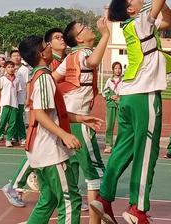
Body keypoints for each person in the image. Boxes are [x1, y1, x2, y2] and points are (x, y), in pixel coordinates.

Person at [91, 0, 171, 224]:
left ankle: (103, 197)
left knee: (124, 148)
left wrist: (162, 5)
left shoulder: (135, 26)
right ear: (130, 10)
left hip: (129, 96)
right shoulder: (141, 20)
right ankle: (137, 209)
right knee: (147, 153)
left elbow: (169, 24)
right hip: (144, 96)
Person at [20, 35, 102, 224]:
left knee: (48, 200)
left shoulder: (39, 75)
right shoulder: (44, 78)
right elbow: (40, 114)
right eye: (46, 44)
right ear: (42, 53)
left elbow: (54, 112)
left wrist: (80, 118)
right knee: (70, 201)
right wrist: (64, 134)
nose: (50, 46)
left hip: (39, 151)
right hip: (50, 152)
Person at [53, 18, 110, 224]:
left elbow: (51, 78)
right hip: (80, 122)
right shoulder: (84, 53)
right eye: (84, 28)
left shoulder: (69, 58)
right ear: (79, 38)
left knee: (74, 173)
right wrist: (106, 35)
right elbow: (93, 62)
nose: (89, 28)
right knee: (95, 174)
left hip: (68, 120)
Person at [3, 28, 67, 208]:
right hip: (42, 118)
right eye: (55, 38)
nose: (61, 40)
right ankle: (15, 185)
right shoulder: (44, 70)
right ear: (46, 47)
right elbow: (39, 109)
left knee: (48, 198)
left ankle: (18, 185)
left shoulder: (55, 63)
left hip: (52, 114)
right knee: (34, 154)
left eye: (62, 37)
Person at [0, 60, 22, 147]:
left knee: (12, 123)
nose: (11, 69)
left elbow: (17, 92)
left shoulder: (17, 80)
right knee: (2, 122)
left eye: (12, 67)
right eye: (9, 67)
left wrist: (16, 102)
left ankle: (8, 139)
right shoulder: (2, 79)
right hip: (5, 103)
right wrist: (1, 100)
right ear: (5, 68)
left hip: (14, 104)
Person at [102, 62, 123, 154]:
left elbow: (126, 90)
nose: (117, 70)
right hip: (111, 105)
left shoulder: (124, 80)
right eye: (116, 68)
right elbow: (104, 92)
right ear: (113, 70)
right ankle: (108, 145)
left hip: (120, 104)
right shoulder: (109, 81)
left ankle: (120, 146)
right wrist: (110, 96)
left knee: (121, 126)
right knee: (109, 126)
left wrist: (119, 97)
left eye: (119, 68)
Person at [12, 49, 29, 145]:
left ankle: (22, 136)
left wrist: (27, 97)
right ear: (11, 57)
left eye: (18, 56)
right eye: (14, 56)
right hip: (11, 98)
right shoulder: (9, 68)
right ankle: (13, 136)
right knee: (12, 118)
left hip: (21, 97)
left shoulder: (25, 69)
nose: (16, 57)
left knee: (20, 117)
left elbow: (28, 84)